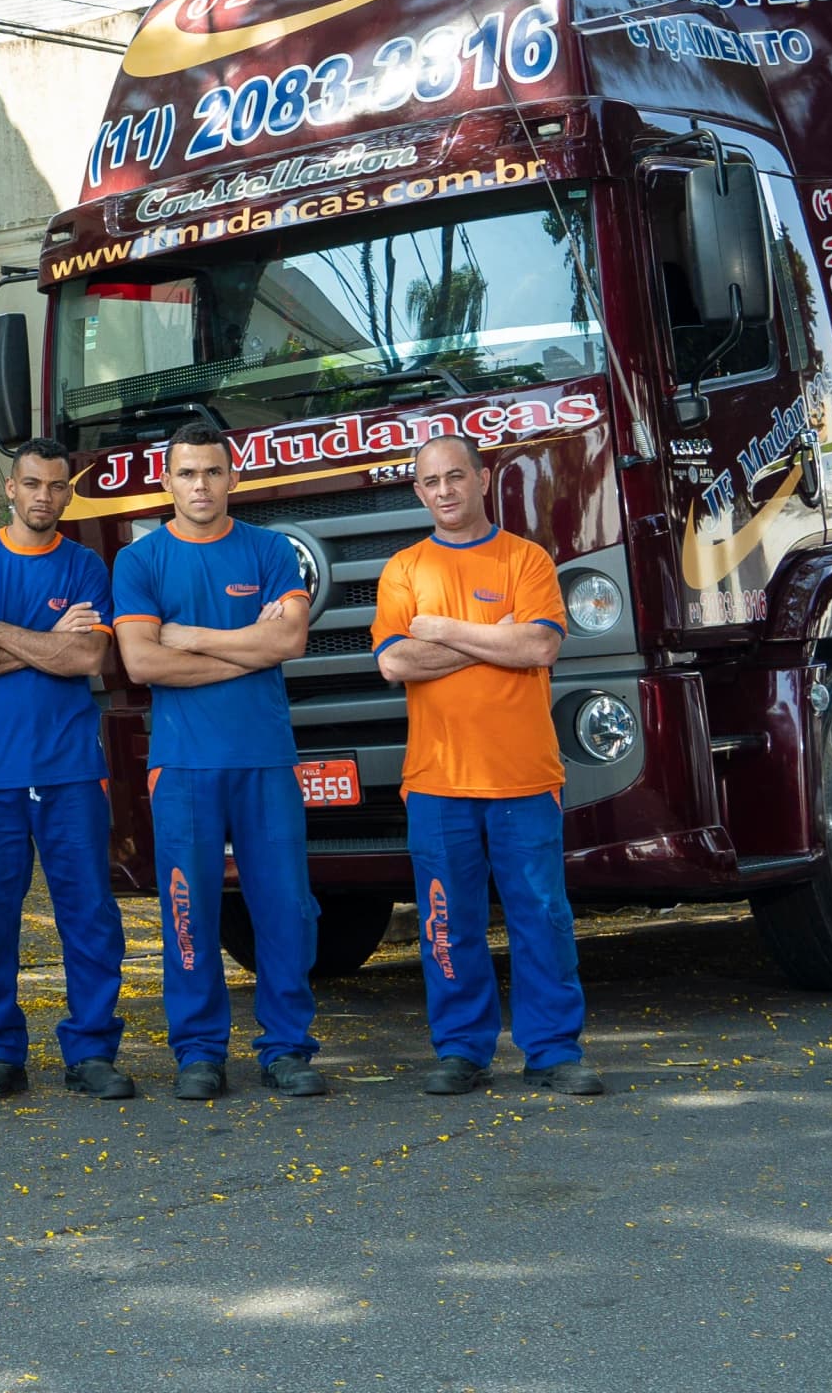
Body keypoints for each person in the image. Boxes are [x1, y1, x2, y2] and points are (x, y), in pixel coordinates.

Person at [370, 432, 604, 1097]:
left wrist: (443, 629)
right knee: (447, 924)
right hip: (437, 780)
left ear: (481, 478)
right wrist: (495, 639)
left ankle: (553, 1051)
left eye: (455, 476)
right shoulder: (404, 570)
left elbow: (538, 647)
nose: (444, 490)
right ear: (419, 492)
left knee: (542, 918)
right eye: (430, 481)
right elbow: (395, 661)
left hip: (523, 776)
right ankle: (461, 1050)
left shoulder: (526, 560)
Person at [108, 420, 326, 1101]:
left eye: (211, 471)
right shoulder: (140, 562)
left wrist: (192, 638)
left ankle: (287, 1048)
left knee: (285, 909)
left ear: (233, 477)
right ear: (167, 481)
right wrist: (246, 647)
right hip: (184, 764)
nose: (200, 485)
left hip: (265, 758)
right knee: (189, 912)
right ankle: (199, 1052)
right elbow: (142, 663)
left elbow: (289, 642)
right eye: (187, 473)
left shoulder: (269, 550)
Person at [0, 439, 134, 1101]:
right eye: (33, 484)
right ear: (10, 489)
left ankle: (92, 1049)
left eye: (57, 486)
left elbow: (86, 660)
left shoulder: (85, 566)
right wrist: (44, 643)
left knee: (89, 913)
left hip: (70, 770)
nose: (45, 496)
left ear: (68, 493)